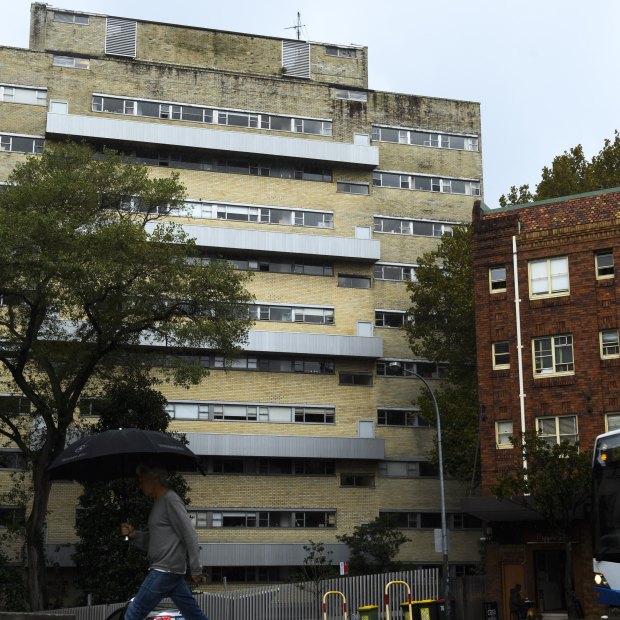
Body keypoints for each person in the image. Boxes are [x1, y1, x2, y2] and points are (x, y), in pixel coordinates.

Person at [120, 464, 208, 620]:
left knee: (133, 613)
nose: (140, 485)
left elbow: (190, 535)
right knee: (195, 616)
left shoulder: (171, 500)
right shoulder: (159, 503)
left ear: (155, 479)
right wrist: (134, 534)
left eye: (142, 480)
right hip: (172, 573)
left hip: (163, 570)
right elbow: (156, 540)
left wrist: (195, 569)